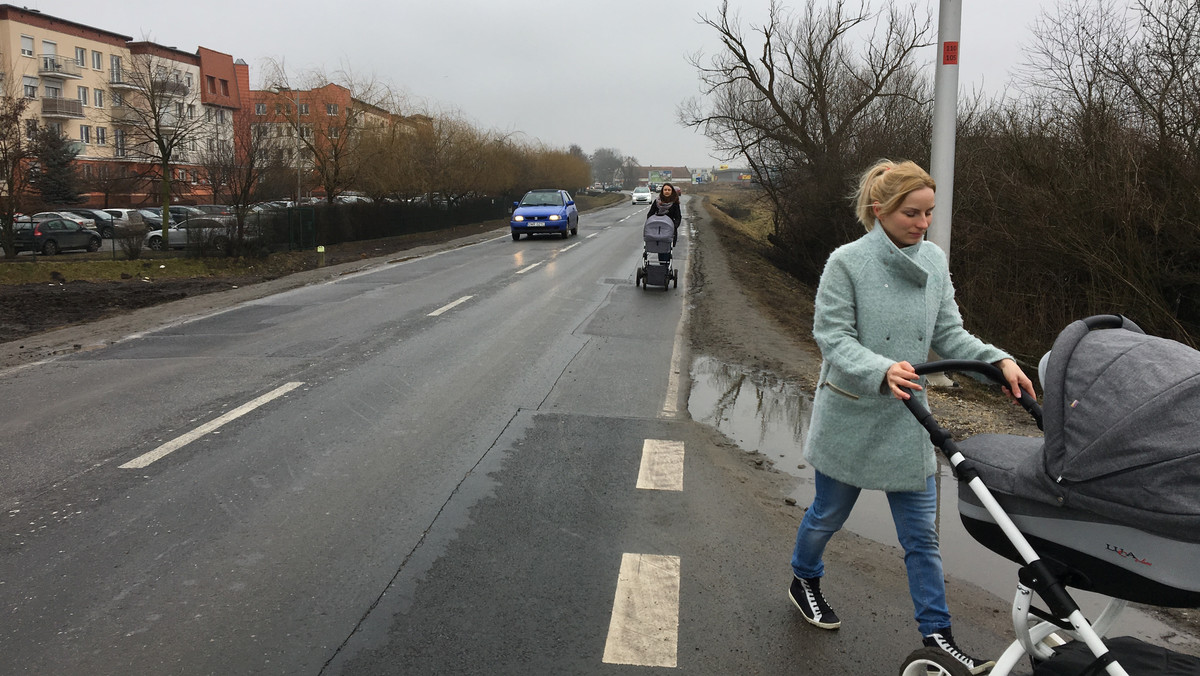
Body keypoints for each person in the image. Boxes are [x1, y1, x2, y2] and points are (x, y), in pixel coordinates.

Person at [787, 159, 1035, 675]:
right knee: (828, 516)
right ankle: (804, 577)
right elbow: (832, 337)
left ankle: (938, 636)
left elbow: (951, 335)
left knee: (921, 536)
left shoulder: (934, 263)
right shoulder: (847, 263)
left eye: (928, 214)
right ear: (880, 211)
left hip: (909, 421)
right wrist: (880, 370)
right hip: (852, 412)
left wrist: (1000, 362)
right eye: (912, 214)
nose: (923, 224)